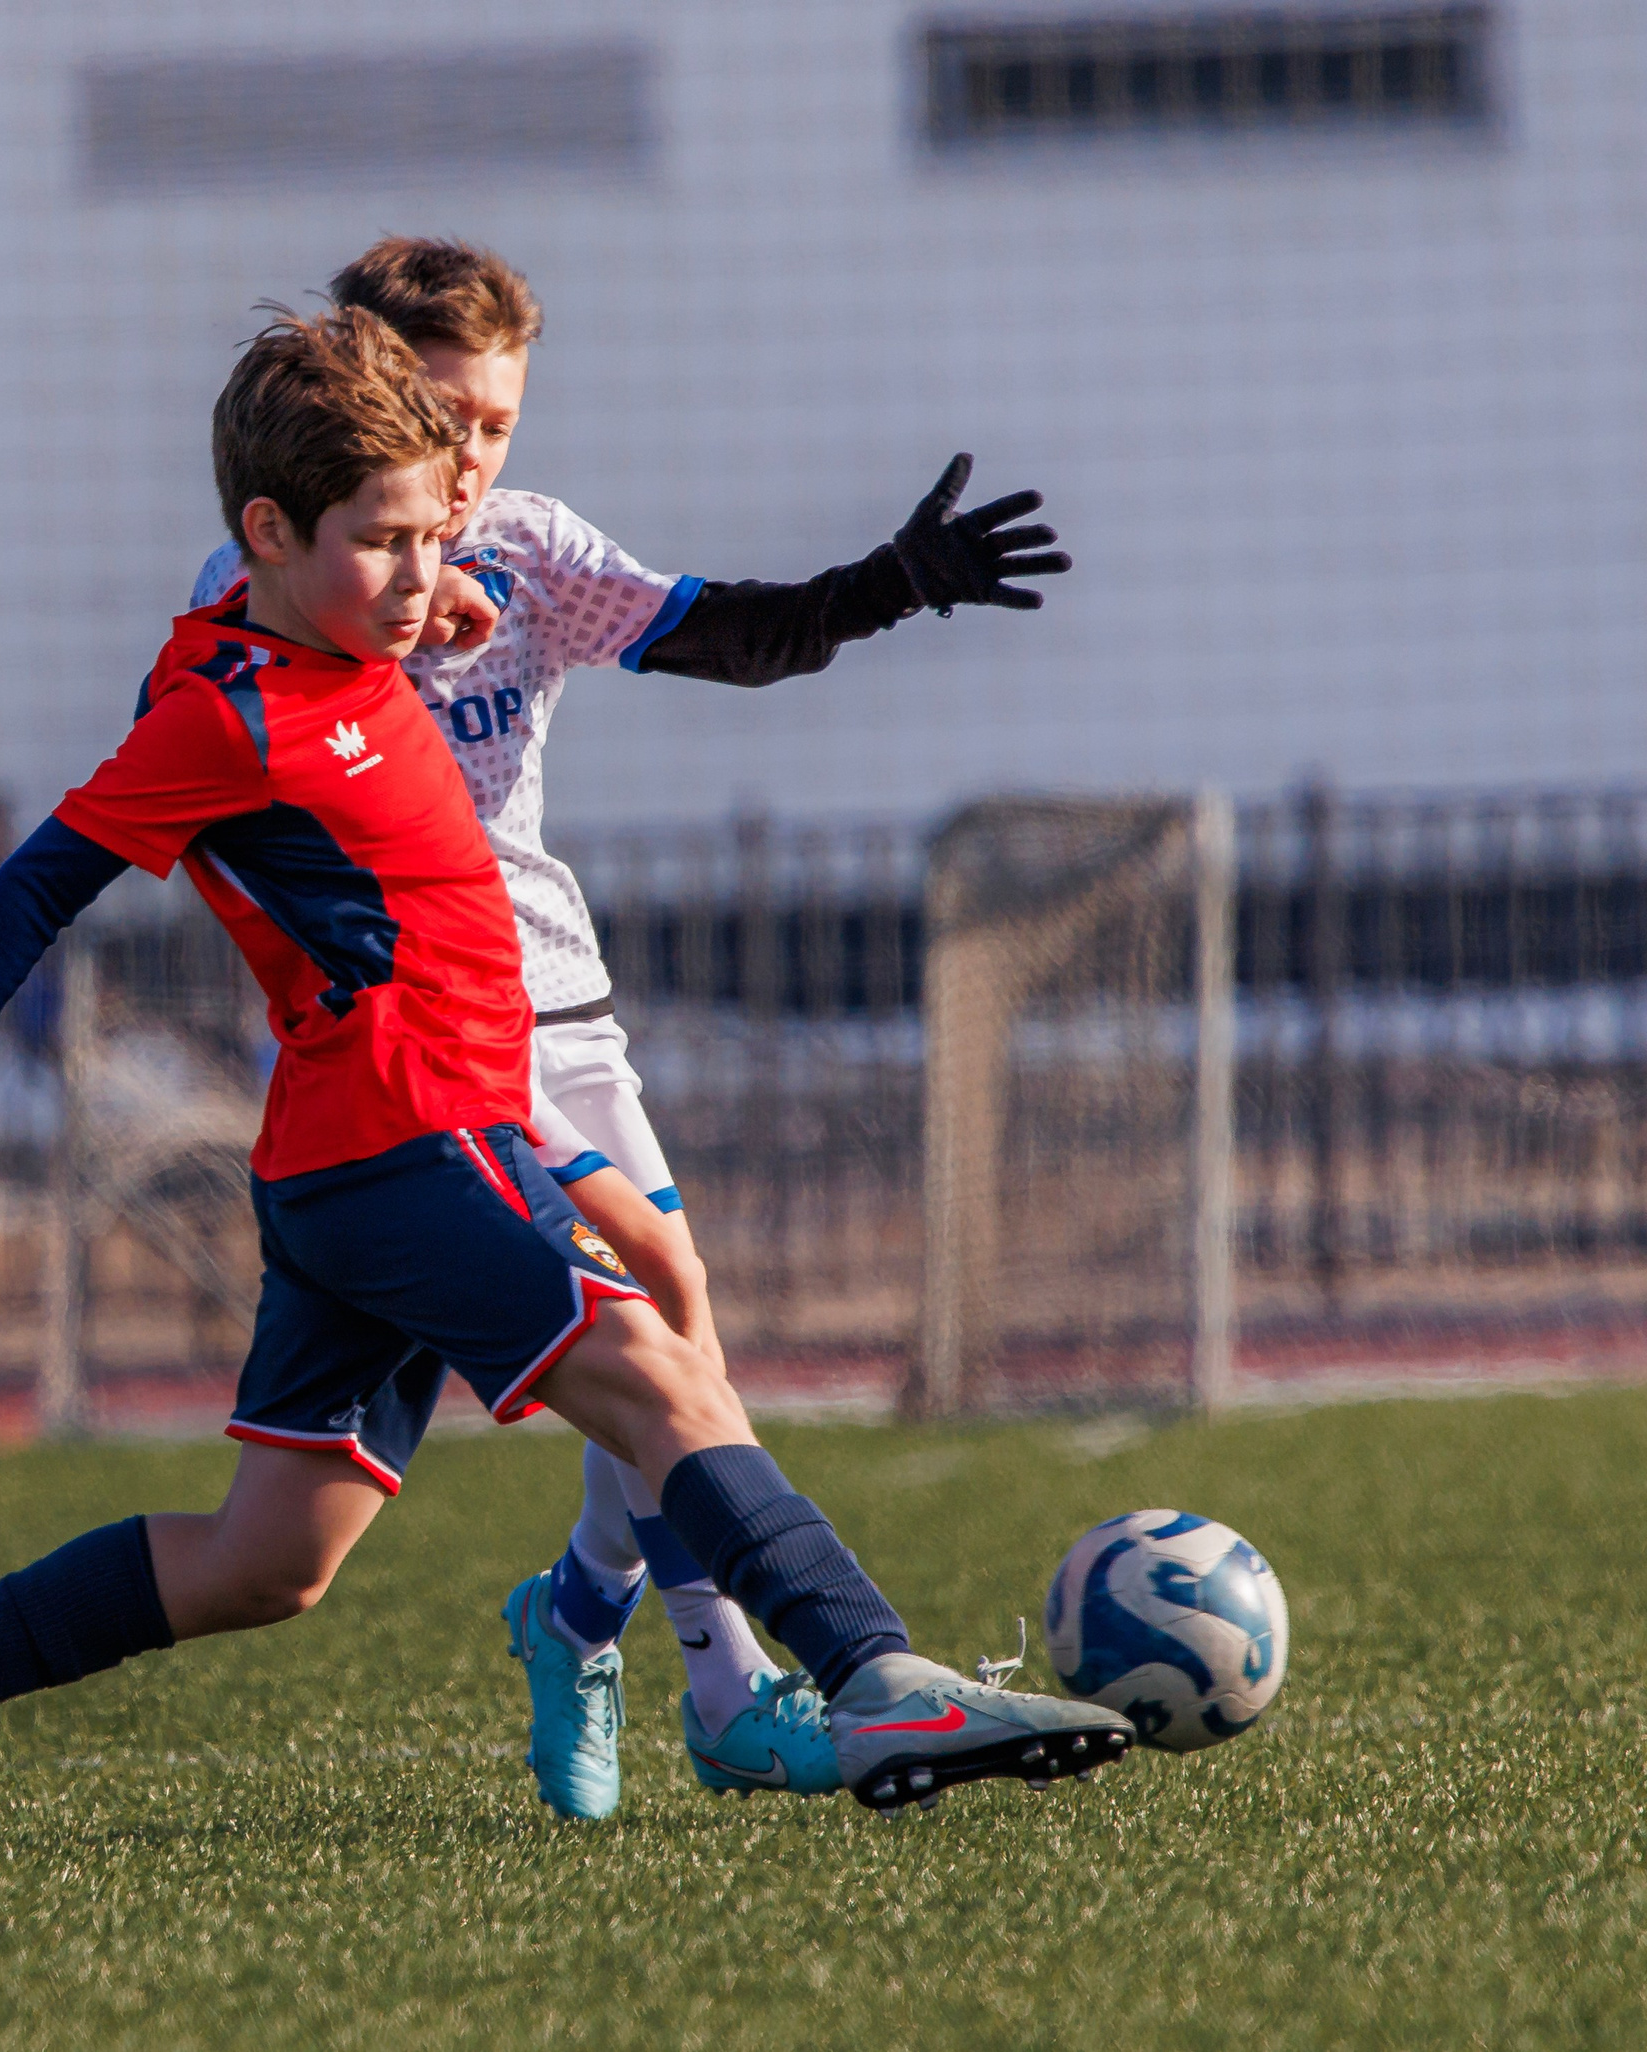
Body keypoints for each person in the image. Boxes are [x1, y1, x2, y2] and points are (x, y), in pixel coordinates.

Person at [0, 305, 1129, 1856]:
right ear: (267, 534)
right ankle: (874, 1675)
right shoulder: (228, 714)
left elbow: (413, 617)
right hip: (407, 1136)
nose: (421, 577)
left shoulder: (343, 638)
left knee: (267, 1562)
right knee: (665, 1377)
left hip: (365, 1160)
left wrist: (426, 591)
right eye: (382, 543)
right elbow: (37, 882)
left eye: (433, 539)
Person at [187, 239, 1072, 1819]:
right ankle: (726, 1687)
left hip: (558, 1003)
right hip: (416, 1033)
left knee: (670, 1327)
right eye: (442, 416)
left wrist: (895, 581)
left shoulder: (530, 551)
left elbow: (728, 636)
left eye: (497, 424)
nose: (471, 455)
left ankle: (588, 1613)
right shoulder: (274, 586)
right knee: (663, 1307)